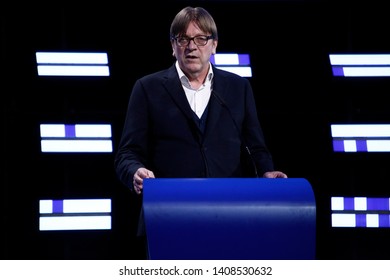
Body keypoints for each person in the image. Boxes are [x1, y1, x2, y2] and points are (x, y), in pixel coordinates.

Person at [114, 6, 287, 237]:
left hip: (230, 217)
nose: (192, 46)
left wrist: (266, 172)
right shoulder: (147, 88)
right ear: (173, 46)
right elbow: (127, 153)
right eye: (183, 39)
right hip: (168, 217)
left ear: (214, 44)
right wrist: (135, 171)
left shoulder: (238, 88)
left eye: (201, 38)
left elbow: (255, 148)